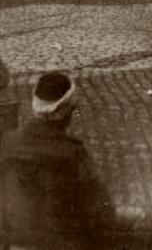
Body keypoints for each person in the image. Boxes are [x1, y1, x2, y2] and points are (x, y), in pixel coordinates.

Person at [0, 71, 113, 250]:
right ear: (69, 111)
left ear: (34, 106)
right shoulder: (72, 153)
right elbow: (101, 212)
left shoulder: (7, 144)